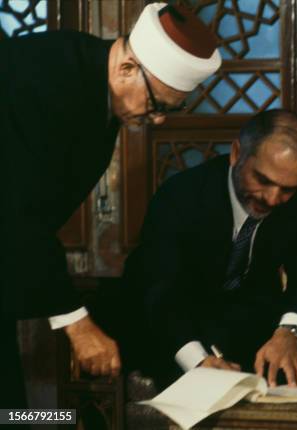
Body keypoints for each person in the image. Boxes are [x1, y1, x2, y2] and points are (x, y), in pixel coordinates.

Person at [0, 2, 221, 408]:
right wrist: (76, 323)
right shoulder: (48, 76)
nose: (157, 122)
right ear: (126, 68)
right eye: (158, 106)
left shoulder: (96, 84)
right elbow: (17, 206)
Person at [117, 109, 297, 390]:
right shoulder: (180, 195)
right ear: (236, 153)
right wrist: (198, 361)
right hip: (176, 317)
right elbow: (160, 291)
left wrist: (288, 334)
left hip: (246, 313)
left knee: (293, 339)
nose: (273, 198)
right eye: (263, 180)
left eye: (287, 189)